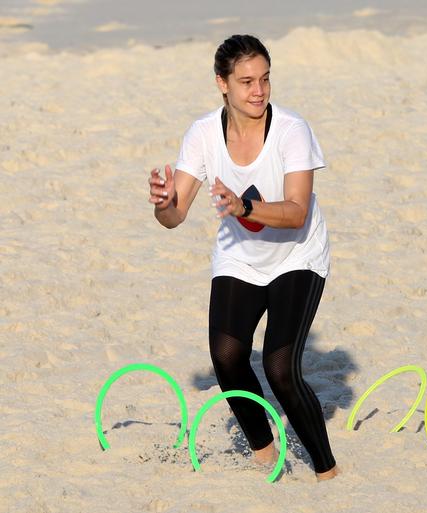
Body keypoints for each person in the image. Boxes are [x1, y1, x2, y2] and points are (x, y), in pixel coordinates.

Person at [147, 34, 338, 481]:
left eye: (265, 79)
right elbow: (175, 215)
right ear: (222, 84)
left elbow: (295, 213)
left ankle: (326, 473)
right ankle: (267, 456)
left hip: (297, 256)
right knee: (228, 356)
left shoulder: (292, 130)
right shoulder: (203, 133)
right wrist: (160, 203)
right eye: (247, 81)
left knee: (279, 368)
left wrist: (244, 207)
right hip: (240, 258)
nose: (259, 91)